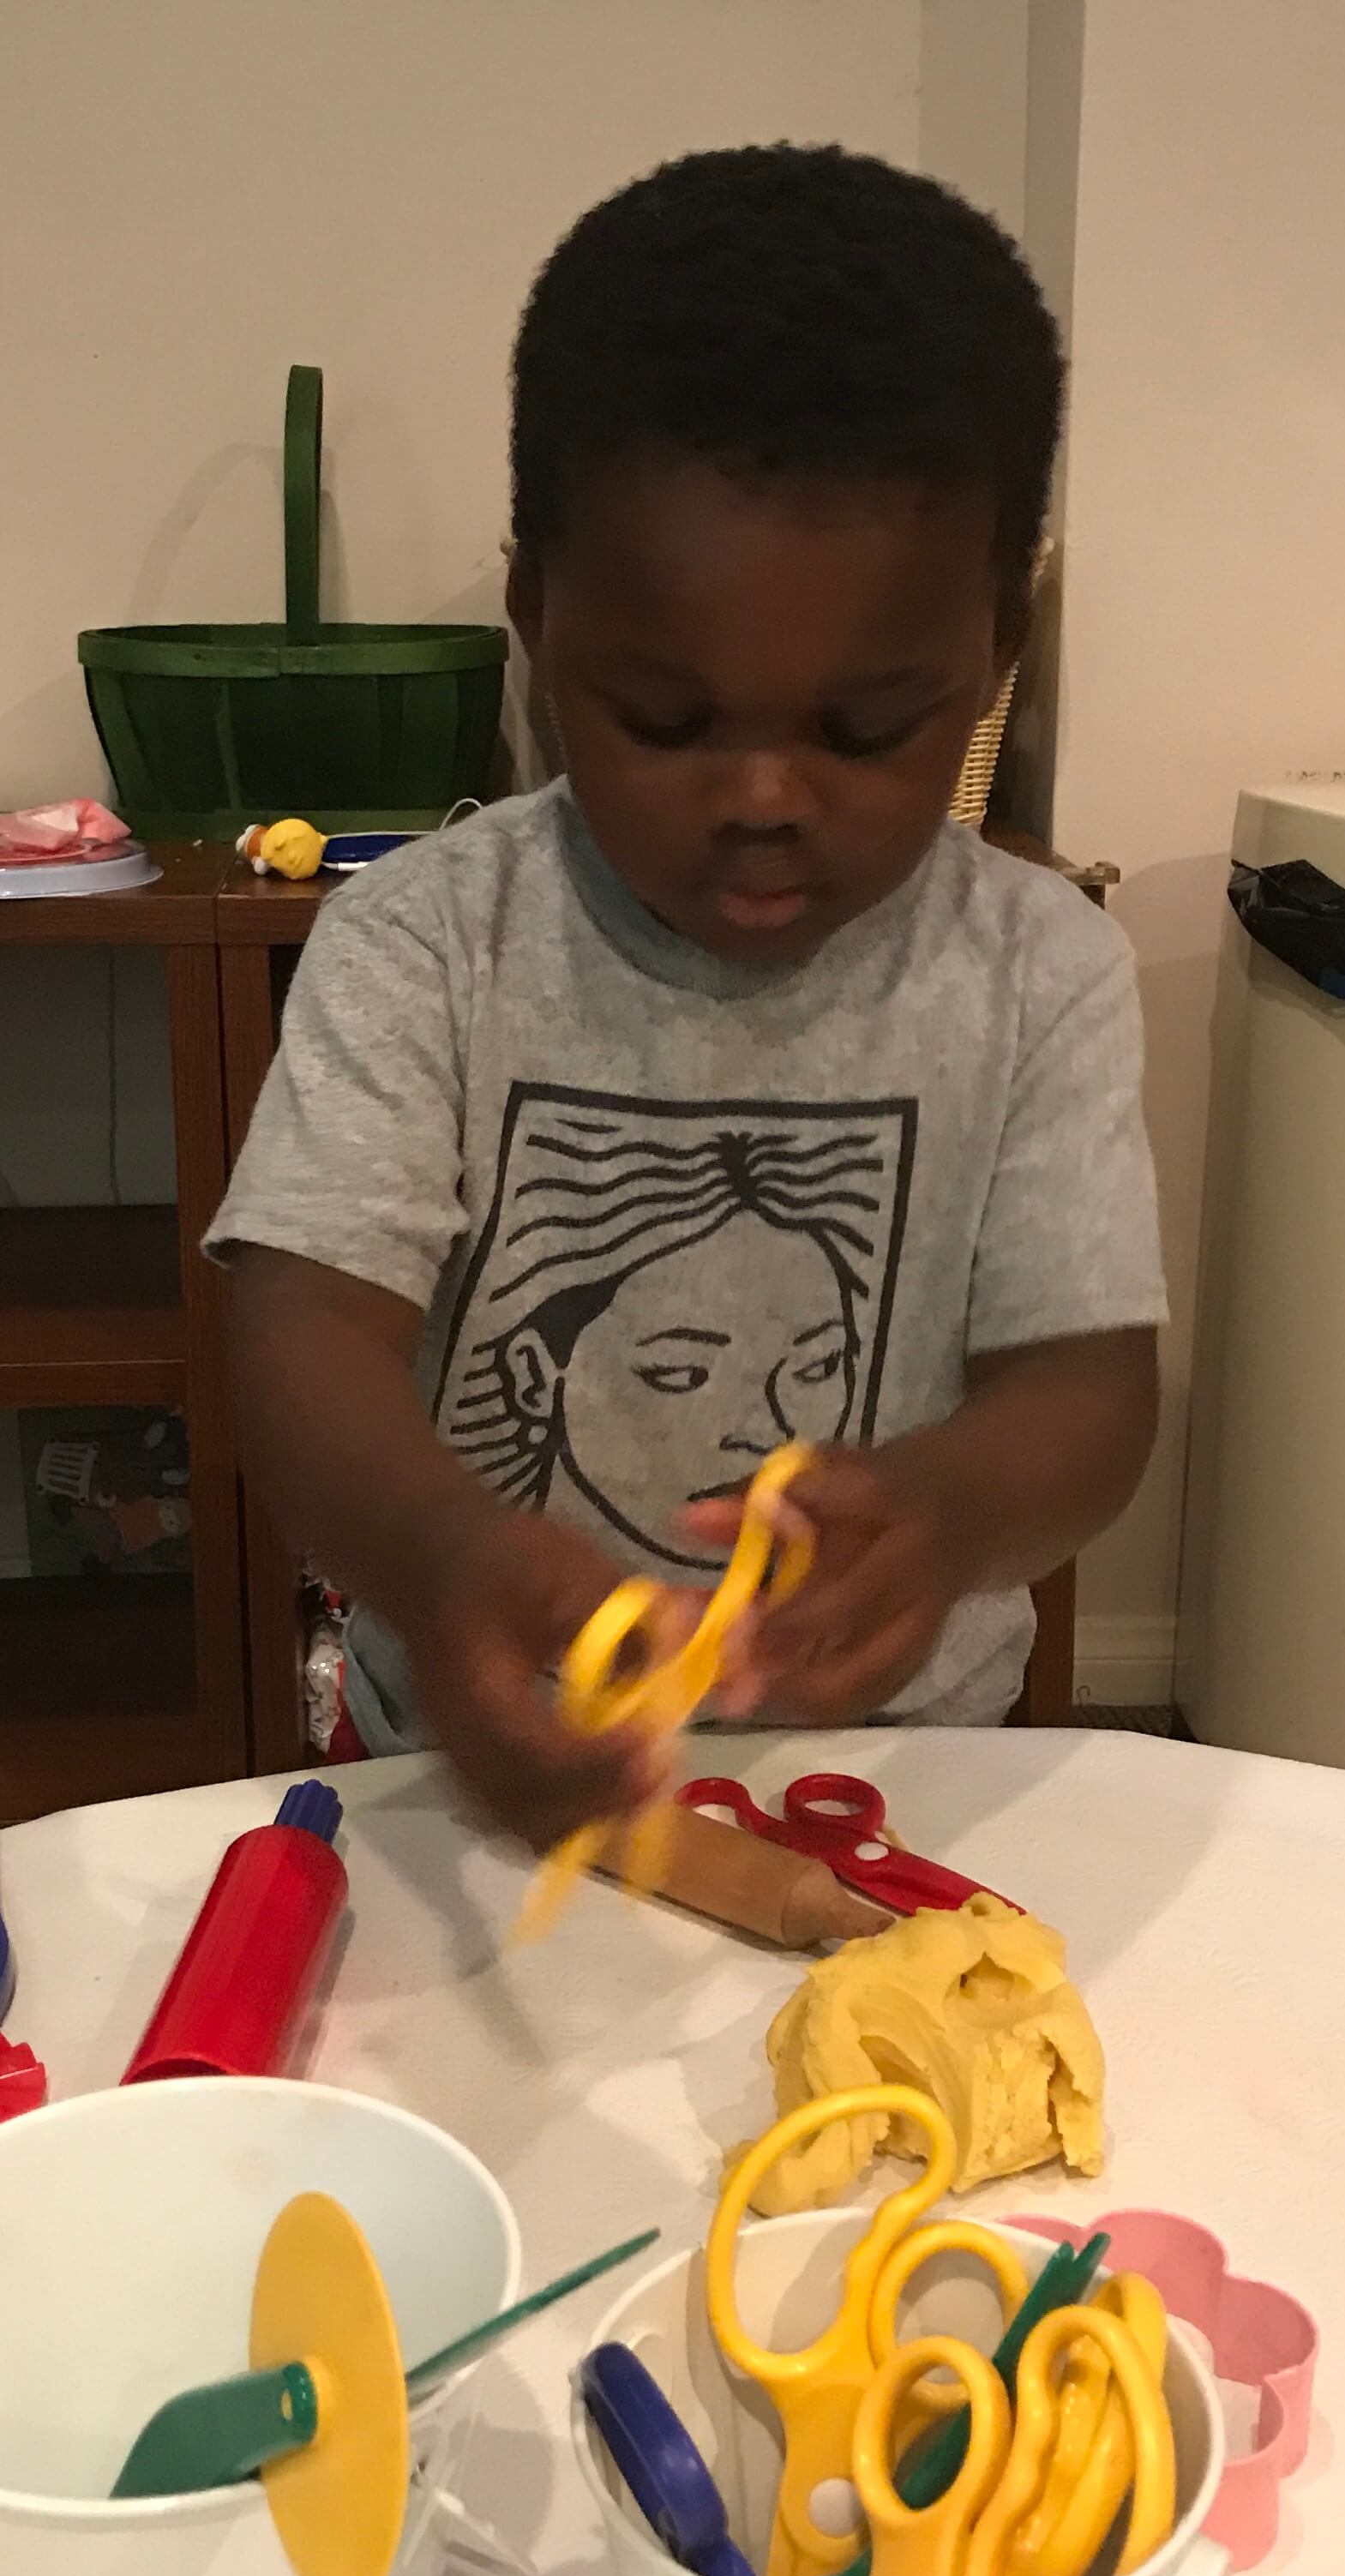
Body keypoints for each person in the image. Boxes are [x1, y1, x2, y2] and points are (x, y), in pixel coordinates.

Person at [207, 144, 1163, 1853]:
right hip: (472, 1775)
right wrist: (443, 1559)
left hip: (896, 1784)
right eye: (660, 715)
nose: (763, 795)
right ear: (532, 624)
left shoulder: (1035, 967)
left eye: (869, 725)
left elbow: (1086, 1394)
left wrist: (940, 1513)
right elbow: (298, 1333)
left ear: (987, 653)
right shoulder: (425, 941)